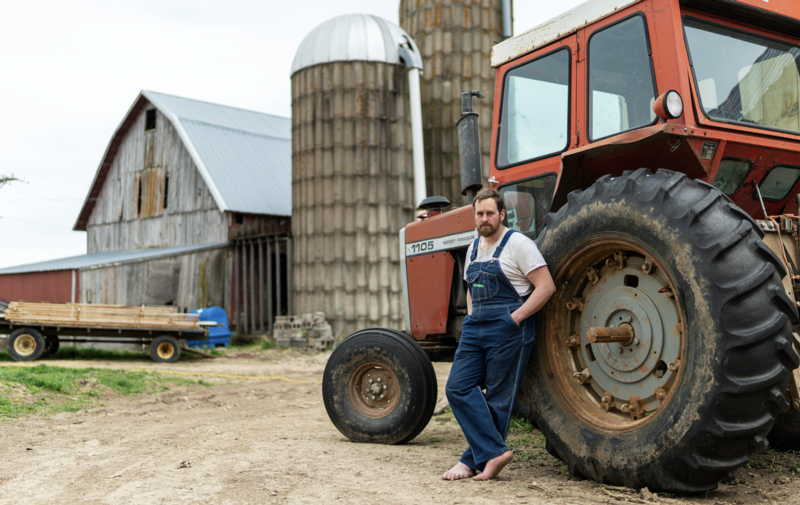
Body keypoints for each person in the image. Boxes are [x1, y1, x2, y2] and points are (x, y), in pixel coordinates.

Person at [442, 188, 556, 481]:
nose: (484, 219)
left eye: (490, 213)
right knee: (457, 387)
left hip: (507, 327)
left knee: (498, 396)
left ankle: (472, 462)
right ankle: (494, 451)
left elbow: (545, 287)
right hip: (475, 327)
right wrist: (470, 317)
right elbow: (471, 289)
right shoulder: (473, 247)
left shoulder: (518, 243)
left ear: (501, 214)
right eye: (479, 213)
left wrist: (514, 319)